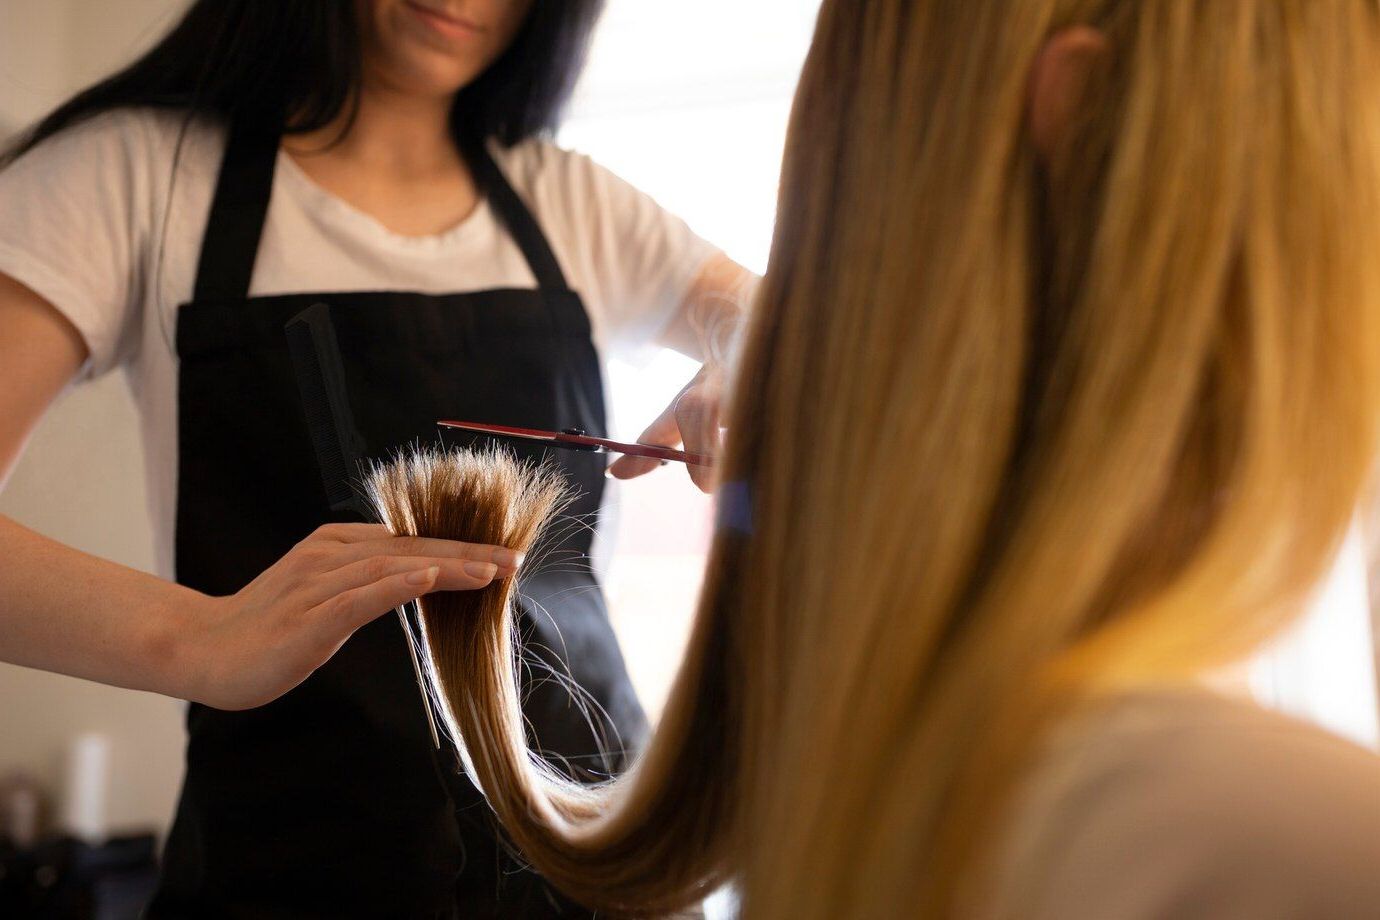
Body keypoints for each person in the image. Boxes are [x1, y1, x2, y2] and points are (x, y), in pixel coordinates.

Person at [397, 1, 1380, 918]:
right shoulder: (1289, 844)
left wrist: (745, 358)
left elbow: (766, 313)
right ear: (1096, 129)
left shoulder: (887, 784)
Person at [0, 0, 752, 915]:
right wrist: (197, 638)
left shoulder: (568, 199)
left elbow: (774, 309)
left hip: (600, 863)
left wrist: (748, 355)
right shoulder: (137, 177)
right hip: (287, 874)